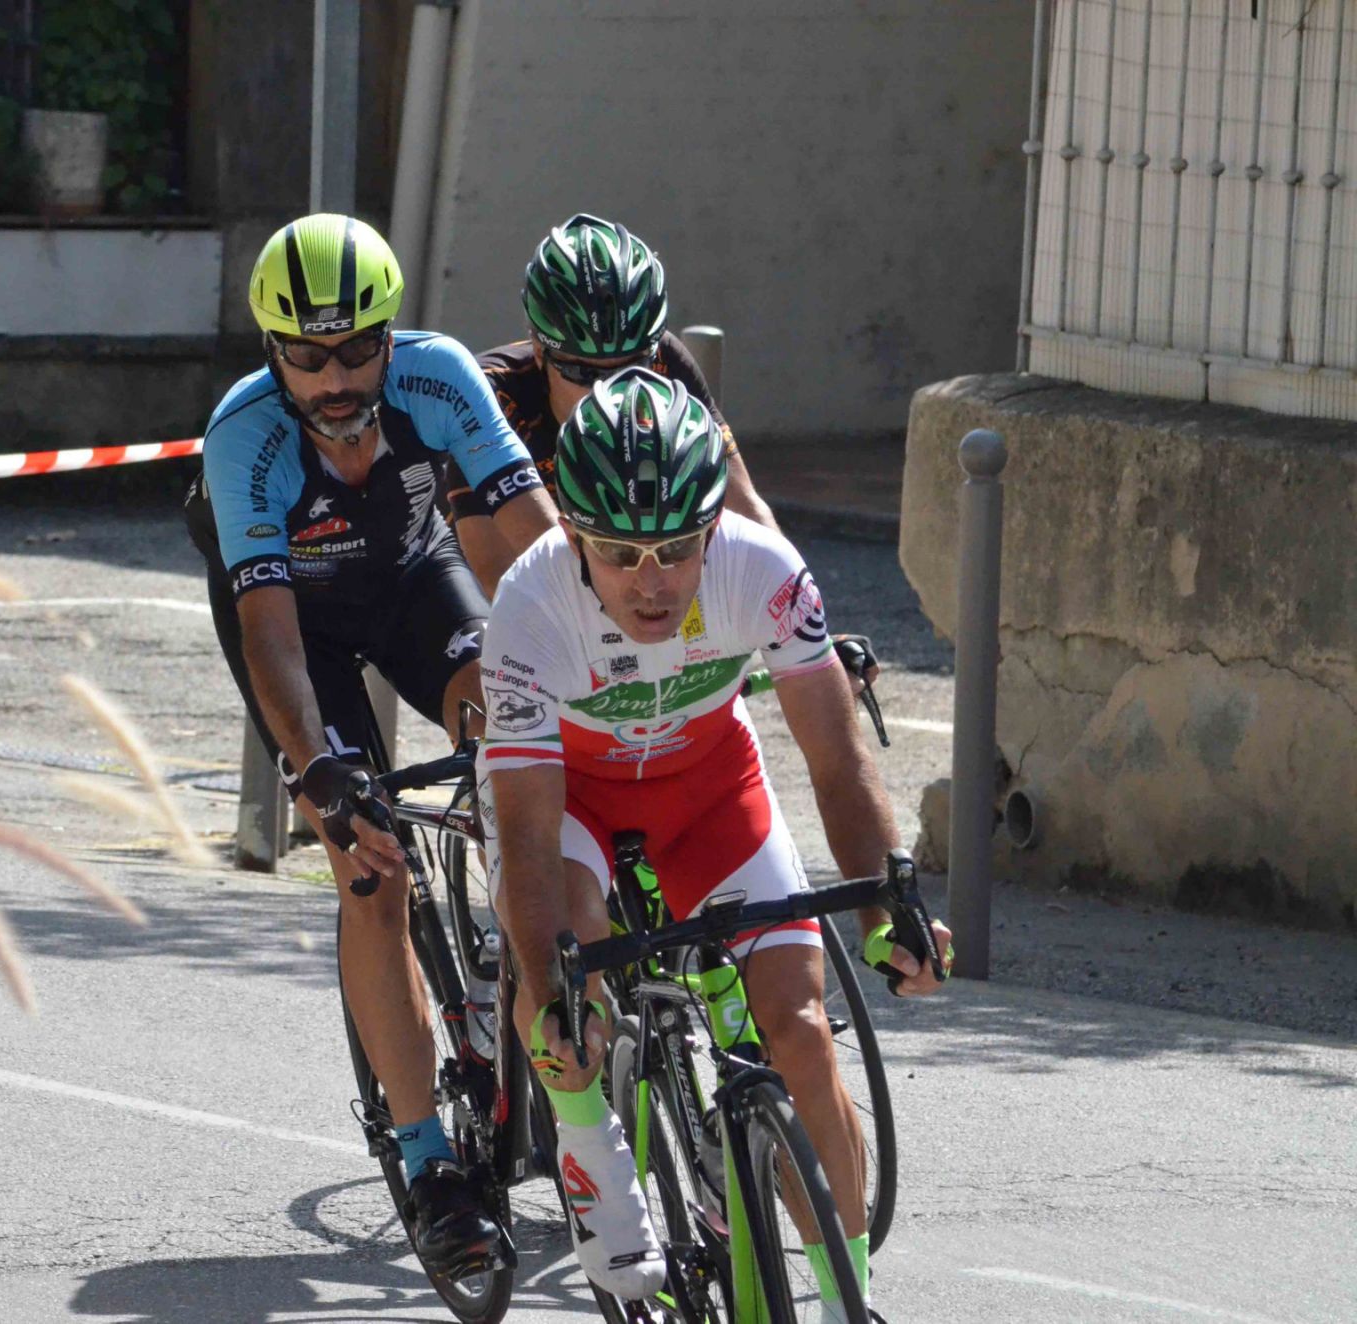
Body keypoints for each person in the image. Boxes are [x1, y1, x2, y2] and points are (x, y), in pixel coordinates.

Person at [478, 367, 950, 1312]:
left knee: (802, 1036)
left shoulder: (763, 569)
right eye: (619, 553)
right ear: (572, 532)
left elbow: (836, 758)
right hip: (575, 804)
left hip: (709, 791)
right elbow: (526, 834)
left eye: (676, 549)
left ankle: (845, 1300)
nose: (650, 582)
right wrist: (551, 982)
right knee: (565, 984)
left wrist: (883, 910)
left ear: (713, 528)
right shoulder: (528, 611)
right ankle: (590, 1142)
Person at [184, 213, 558, 1278]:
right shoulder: (245, 435)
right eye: (306, 357)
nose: (334, 378)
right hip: (293, 628)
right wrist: (318, 771)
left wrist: (603, 653)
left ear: (389, 337)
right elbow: (269, 639)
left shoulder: (438, 376)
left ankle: (514, 969)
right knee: (371, 870)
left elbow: (534, 537)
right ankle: (428, 1157)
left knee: (514, 732)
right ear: (272, 351)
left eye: (355, 350)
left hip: (408, 579)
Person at [444, 213, 776, 598]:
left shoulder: (666, 359)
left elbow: (748, 512)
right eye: (583, 372)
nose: (610, 388)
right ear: (538, 351)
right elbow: (497, 572)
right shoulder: (489, 395)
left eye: (633, 366)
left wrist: (800, 615)